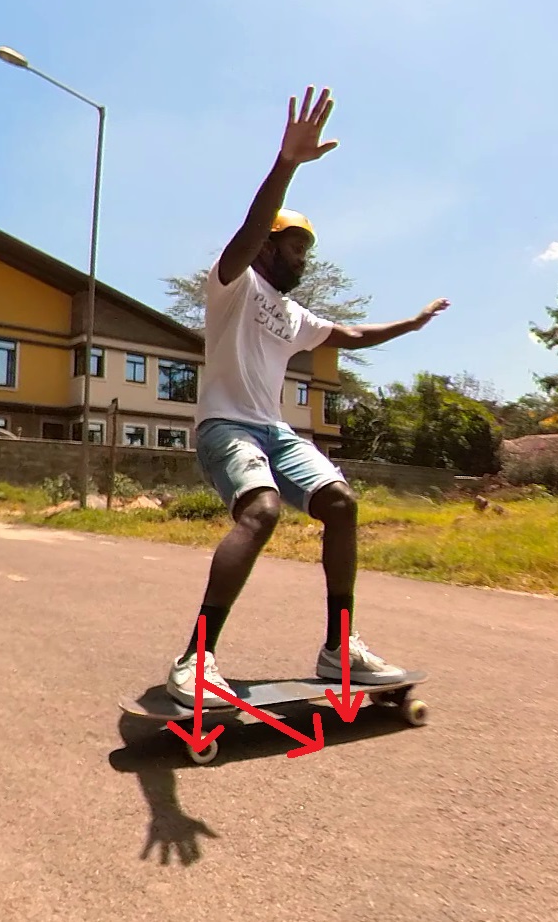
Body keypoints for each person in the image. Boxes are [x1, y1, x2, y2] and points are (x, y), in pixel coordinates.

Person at [165, 85, 451, 707]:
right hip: (225, 427)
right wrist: (287, 164)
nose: (304, 260)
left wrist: (413, 322)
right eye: (297, 247)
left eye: (306, 252)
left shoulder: (292, 315)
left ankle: (338, 647)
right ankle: (196, 657)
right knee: (261, 512)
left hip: (272, 431)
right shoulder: (232, 284)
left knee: (342, 504)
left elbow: (350, 333)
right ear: (270, 245)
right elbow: (249, 227)